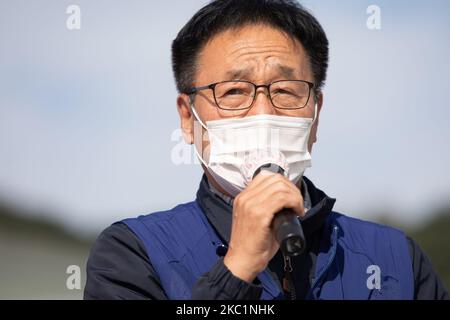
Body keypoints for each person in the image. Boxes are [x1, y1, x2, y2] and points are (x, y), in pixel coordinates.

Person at [84, 0, 448, 300]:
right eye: (233, 91)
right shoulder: (133, 254)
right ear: (187, 117)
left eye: (286, 90)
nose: (263, 113)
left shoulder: (396, 259)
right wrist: (237, 269)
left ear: (316, 115)